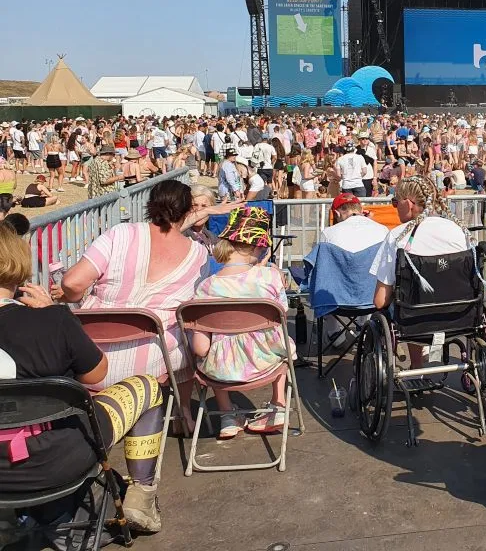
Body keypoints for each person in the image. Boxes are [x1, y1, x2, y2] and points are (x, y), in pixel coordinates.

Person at [0, 224, 167, 534]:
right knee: (148, 387)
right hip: (53, 460)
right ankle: (140, 495)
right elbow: (96, 373)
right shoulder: (52, 319)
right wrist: (54, 314)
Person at [55, 182, 209, 436]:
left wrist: (75, 297)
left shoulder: (120, 234)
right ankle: (184, 414)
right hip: (150, 362)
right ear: (186, 211)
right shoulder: (198, 254)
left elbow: (72, 282)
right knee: (183, 337)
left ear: (151, 204)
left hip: (90, 360)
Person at [191, 207, 293, 437]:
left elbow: (200, 347)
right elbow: (282, 315)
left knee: (213, 351)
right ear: (258, 247)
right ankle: (278, 405)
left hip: (221, 369)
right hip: (267, 361)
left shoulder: (206, 287)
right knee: (281, 339)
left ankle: (227, 415)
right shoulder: (269, 277)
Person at [369, 176, 471, 368]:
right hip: (461, 313)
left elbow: (380, 300)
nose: (394, 207)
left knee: (404, 301)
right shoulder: (458, 230)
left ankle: (417, 366)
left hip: (416, 318)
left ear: (408, 204)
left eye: (394, 202)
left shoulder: (397, 236)